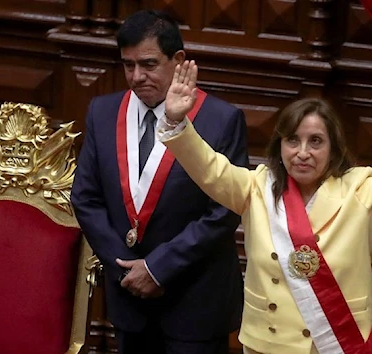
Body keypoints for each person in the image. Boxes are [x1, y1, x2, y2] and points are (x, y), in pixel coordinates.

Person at [156, 60, 372, 354]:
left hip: (337, 342)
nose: (302, 153)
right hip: (269, 344)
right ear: (279, 146)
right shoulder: (256, 187)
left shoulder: (362, 189)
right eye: (292, 141)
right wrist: (177, 123)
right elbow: (209, 169)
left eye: (316, 142)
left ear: (333, 147)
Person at [70, 10, 249, 354]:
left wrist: (157, 268)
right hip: (128, 300)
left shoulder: (221, 120)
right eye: (128, 65)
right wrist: (125, 270)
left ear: (177, 60)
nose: (137, 76)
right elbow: (86, 198)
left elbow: (223, 212)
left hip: (194, 303)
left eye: (148, 64)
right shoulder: (103, 112)